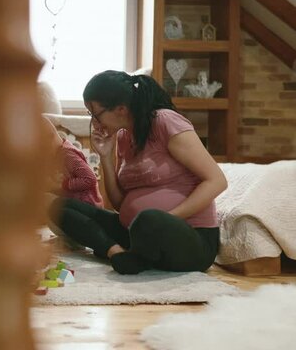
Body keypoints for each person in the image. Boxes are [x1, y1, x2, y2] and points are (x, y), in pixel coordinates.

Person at [50, 70, 227, 274]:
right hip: (136, 233)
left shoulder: (165, 122)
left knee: (149, 219)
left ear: (121, 109)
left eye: (95, 114)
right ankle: (116, 252)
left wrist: (167, 219)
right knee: (61, 206)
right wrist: (105, 156)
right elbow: (119, 204)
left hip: (189, 238)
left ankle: (136, 254)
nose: (95, 122)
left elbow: (217, 181)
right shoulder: (124, 136)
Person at [43, 117, 103, 208]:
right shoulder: (57, 153)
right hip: (75, 204)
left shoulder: (68, 155)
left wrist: (62, 185)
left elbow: (90, 179)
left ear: (49, 141)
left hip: (87, 206)